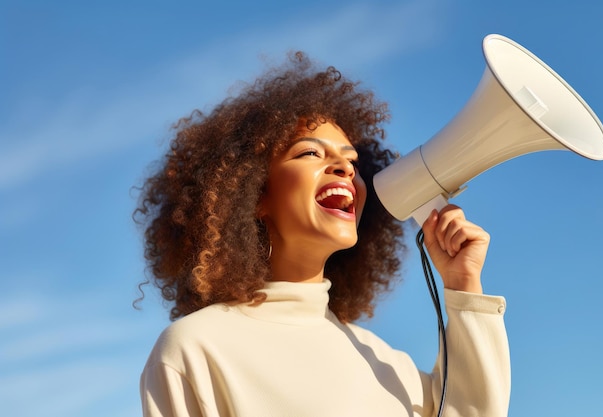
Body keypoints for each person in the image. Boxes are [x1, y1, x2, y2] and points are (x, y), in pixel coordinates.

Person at [136, 52, 510, 417]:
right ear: (252, 194)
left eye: (352, 162)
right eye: (310, 153)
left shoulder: (386, 362)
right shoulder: (196, 348)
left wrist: (463, 286)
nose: (344, 169)